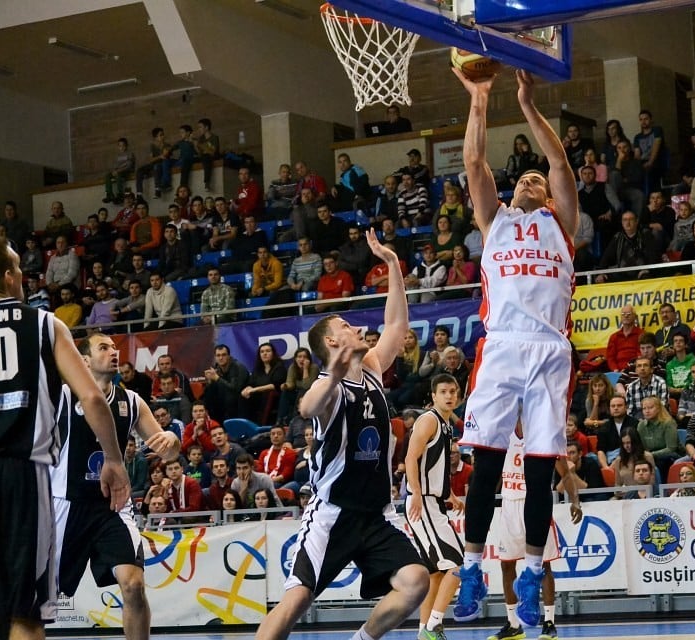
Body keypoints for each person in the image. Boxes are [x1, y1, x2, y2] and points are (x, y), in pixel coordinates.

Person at [451, 67, 578, 630]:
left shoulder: (562, 223)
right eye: (522, 175)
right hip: (501, 345)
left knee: (542, 468)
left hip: (549, 347)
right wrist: (480, 100)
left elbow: (560, 164)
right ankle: (473, 568)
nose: (531, 177)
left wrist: (527, 102)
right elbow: (474, 165)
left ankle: (530, 575)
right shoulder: (495, 220)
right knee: (488, 463)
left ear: (548, 195)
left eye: (537, 177)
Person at [255, 230, 428, 640]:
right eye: (347, 325)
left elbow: (397, 324)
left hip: (374, 514)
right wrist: (333, 370)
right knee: (295, 602)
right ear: (333, 341)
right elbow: (306, 408)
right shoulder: (328, 386)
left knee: (416, 581)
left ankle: (361, 639)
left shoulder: (369, 367)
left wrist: (391, 265)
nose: (357, 328)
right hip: (332, 514)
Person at [0, 239, 130, 640]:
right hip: (22, 474)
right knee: (26, 611)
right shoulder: (44, 323)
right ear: (8, 276)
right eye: (19, 268)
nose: (23, 276)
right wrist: (114, 459)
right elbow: (91, 396)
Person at [53, 334, 179, 640]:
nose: (114, 352)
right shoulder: (61, 396)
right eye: (104, 347)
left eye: (114, 346)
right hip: (65, 503)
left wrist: (172, 442)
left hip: (113, 505)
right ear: (83, 360)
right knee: (34, 596)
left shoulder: (131, 401)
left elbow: (167, 450)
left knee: (134, 584)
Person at [491, 421, 582, 640]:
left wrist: (575, 500)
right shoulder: (500, 433)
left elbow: (565, 473)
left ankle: (549, 623)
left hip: (535, 503)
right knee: (506, 565)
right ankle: (513, 625)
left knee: (544, 565)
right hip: (509, 504)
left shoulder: (544, 433)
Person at [403, 374, 465, 640]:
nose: (449, 396)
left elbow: (435, 465)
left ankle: (422, 632)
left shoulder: (447, 424)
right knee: (458, 565)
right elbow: (410, 457)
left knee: (437, 573)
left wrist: (450, 493)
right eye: (444, 391)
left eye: (453, 391)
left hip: (434, 500)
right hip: (423, 501)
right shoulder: (429, 420)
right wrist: (416, 492)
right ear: (433, 395)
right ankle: (433, 627)